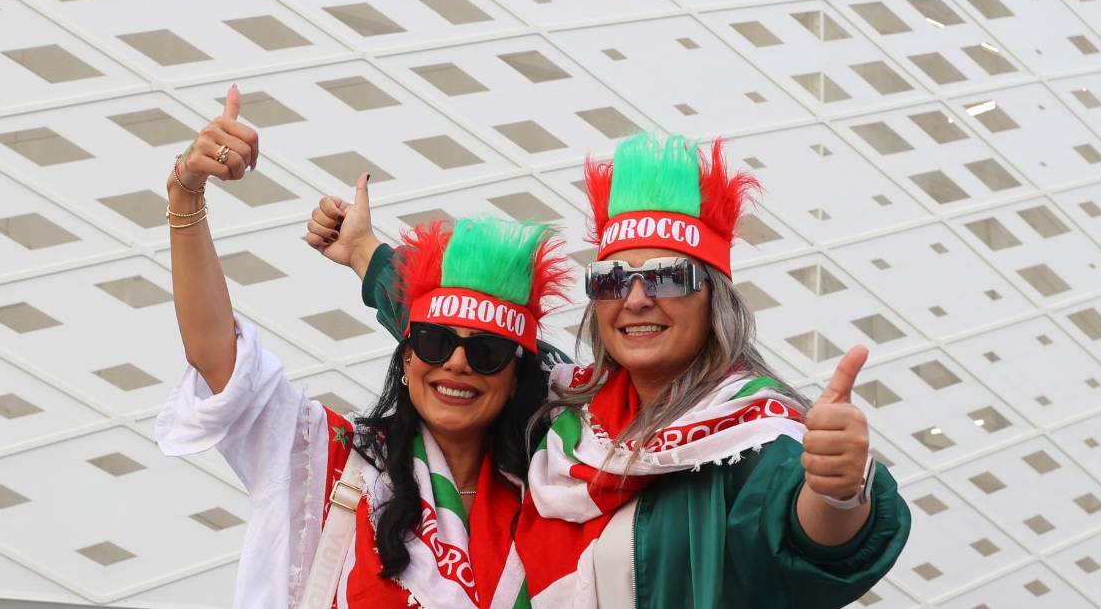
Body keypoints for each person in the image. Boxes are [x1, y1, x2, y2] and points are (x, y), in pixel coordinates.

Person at [333, 133, 910, 608]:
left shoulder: (751, 433)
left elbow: (810, 546)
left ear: (714, 298)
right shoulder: (567, 404)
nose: (635, 299)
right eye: (612, 279)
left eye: (666, 276)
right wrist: (365, 254)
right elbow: (474, 346)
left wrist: (838, 491)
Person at [155, 86, 570, 607]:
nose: (459, 362)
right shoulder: (328, 461)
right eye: (435, 341)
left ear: (516, 378)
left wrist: (365, 254)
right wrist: (185, 192)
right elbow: (217, 355)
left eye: (487, 351)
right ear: (406, 358)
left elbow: (583, 385)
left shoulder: (560, 492)